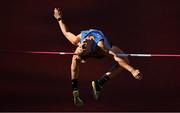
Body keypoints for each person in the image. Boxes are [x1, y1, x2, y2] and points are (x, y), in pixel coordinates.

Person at [53, 8, 142, 107]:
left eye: (83, 44)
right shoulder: (95, 47)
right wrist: (59, 18)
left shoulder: (92, 44)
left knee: (125, 61)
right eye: (83, 47)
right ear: (86, 53)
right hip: (99, 48)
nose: (84, 42)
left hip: (103, 44)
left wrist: (132, 70)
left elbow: (66, 32)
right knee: (74, 59)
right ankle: (75, 91)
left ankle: (99, 83)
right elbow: (67, 34)